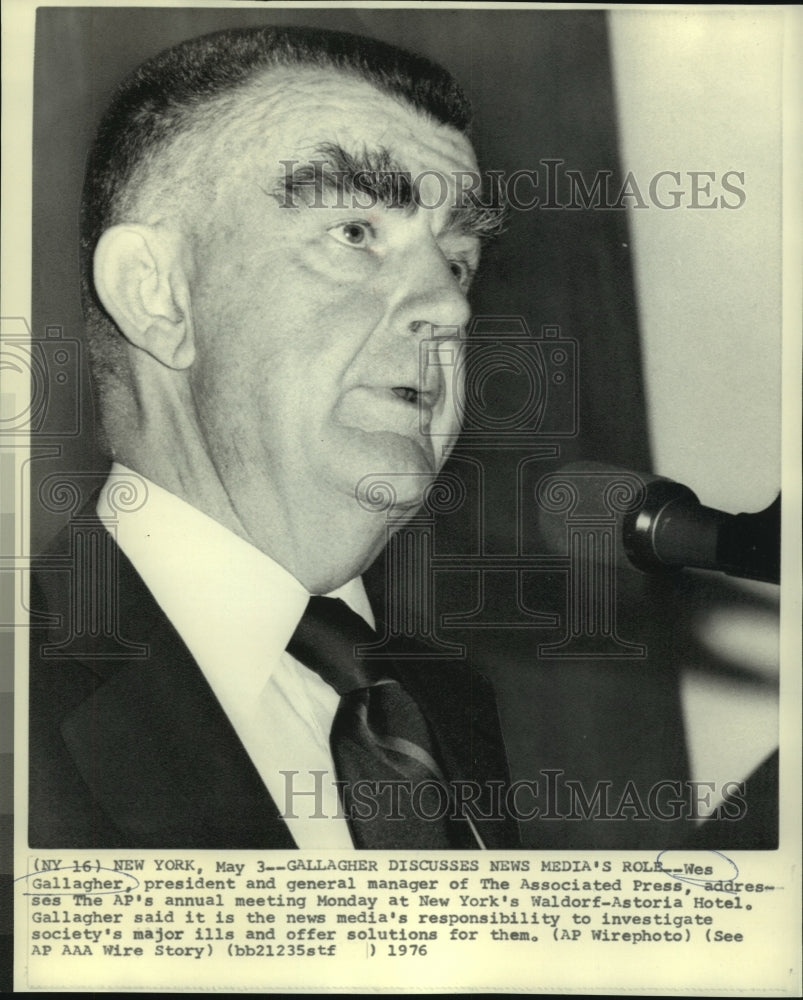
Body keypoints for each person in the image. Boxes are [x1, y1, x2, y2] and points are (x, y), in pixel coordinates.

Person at [28, 24, 520, 849]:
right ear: (159, 297)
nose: (450, 307)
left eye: (457, 260)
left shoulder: (440, 707)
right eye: (356, 233)